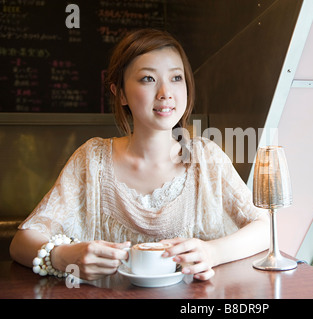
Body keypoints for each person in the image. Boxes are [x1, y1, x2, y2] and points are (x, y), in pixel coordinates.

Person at [9, 29, 269, 281]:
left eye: (176, 78)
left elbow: (266, 227)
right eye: (148, 78)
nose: (166, 92)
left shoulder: (206, 158)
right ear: (120, 92)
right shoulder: (92, 159)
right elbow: (21, 242)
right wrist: (65, 255)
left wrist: (212, 252)